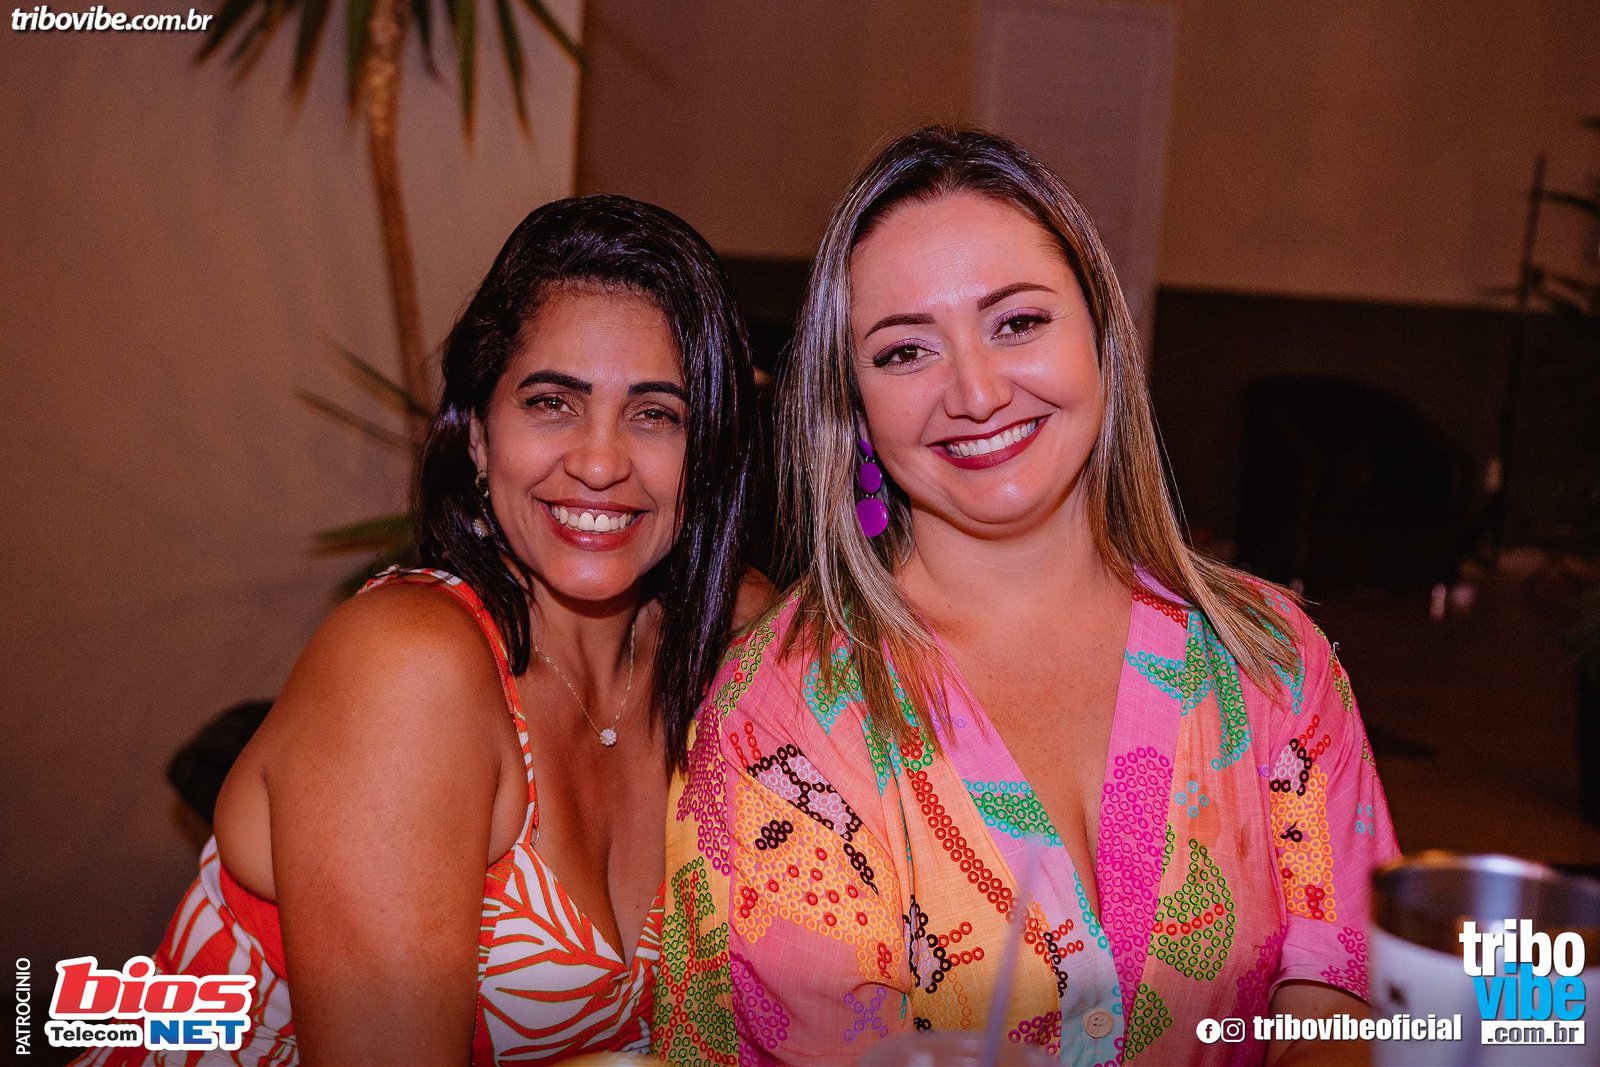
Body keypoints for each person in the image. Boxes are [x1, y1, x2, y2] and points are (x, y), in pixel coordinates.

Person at [661, 127, 1399, 1067]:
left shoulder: (1270, 658)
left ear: (1101, 335)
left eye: (1017, 323)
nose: (975, 392)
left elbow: (1342, 997)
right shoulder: (782, 717)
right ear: (853, 408)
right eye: (905, 351)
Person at [80, 194, 762, 1065]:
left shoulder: (727, 642)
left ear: (708, 456)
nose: (600, 461)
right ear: (477, 436)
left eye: (656, 414)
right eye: (552, 402)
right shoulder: (408, 667)